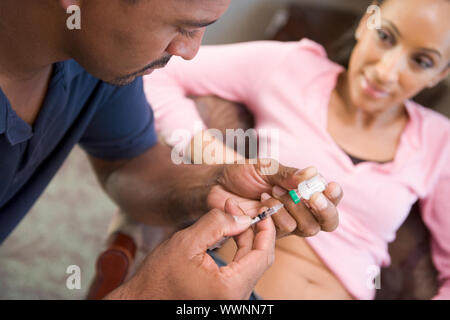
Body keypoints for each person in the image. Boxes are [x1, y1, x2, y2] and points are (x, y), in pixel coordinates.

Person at [0, 0, 343, 299]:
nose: (190, 51)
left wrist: (213, 185)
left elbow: (128, 163)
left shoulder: (93, 61)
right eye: (183, 26)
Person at [144, 0, 450, 299]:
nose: (386, 71)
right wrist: (220, 162)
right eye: (385, 36)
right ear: (367, 20)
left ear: (440, 74)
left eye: (421, 61)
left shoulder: (439, 142)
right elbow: (160, 72)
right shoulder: (292, 67)